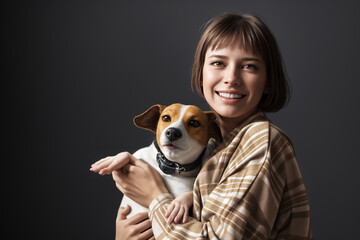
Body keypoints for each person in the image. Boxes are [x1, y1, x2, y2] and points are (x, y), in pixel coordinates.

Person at [102, 13, 313, 239]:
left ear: (269, 82)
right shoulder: (214, 147)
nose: (231, 78)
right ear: (201, 73)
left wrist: (154, 196)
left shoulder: (260, 140)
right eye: (218, 63)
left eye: (249, 66)